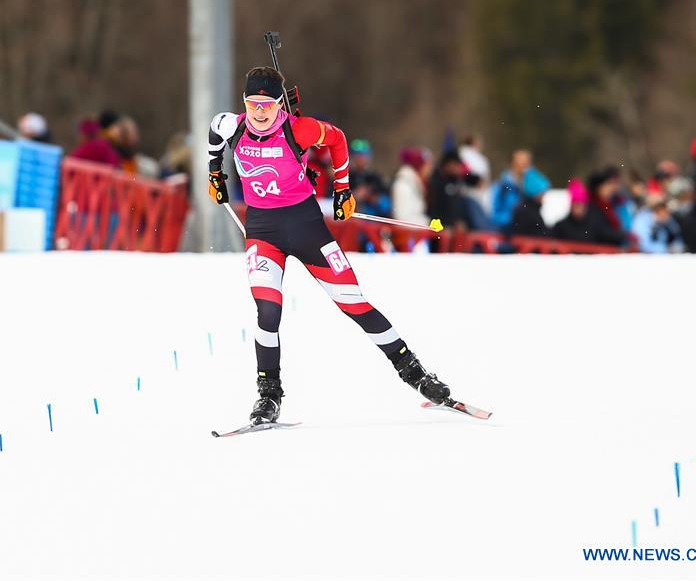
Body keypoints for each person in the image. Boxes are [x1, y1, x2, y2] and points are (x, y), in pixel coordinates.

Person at [207, 66, 452, 424]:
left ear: (280, 105)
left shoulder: (299, 129)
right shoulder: (233, 125)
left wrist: (342, 188)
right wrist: (216, 172)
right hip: (262, 231)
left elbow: (337, 139)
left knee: (353, 303)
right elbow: (214, 133)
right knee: (268, 312)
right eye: (253, 104)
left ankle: (414, 373)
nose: (260, 113)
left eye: (267, 105)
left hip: (307, 228)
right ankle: (268, 394)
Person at [489, 149, 532, 231]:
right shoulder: (501, 187)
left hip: (522, 235)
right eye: (522, 164)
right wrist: (514, 219)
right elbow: (492, 214)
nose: (526, 168)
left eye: (527, 164)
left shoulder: (529, 186)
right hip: (503, 234)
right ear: (512, 164)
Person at [391, 147, 432, 226]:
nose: (429, 170)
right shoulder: (403, 185)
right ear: (419, 166)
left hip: (416, 235)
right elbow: (402, 218)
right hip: (408, 236)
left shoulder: (414, 184)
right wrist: (428, 224)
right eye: (427, 166)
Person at [510, 169, 551, 237]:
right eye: (542, 193)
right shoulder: (526, 213)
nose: (543, 196)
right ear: (536, 193)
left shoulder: (530, 210)